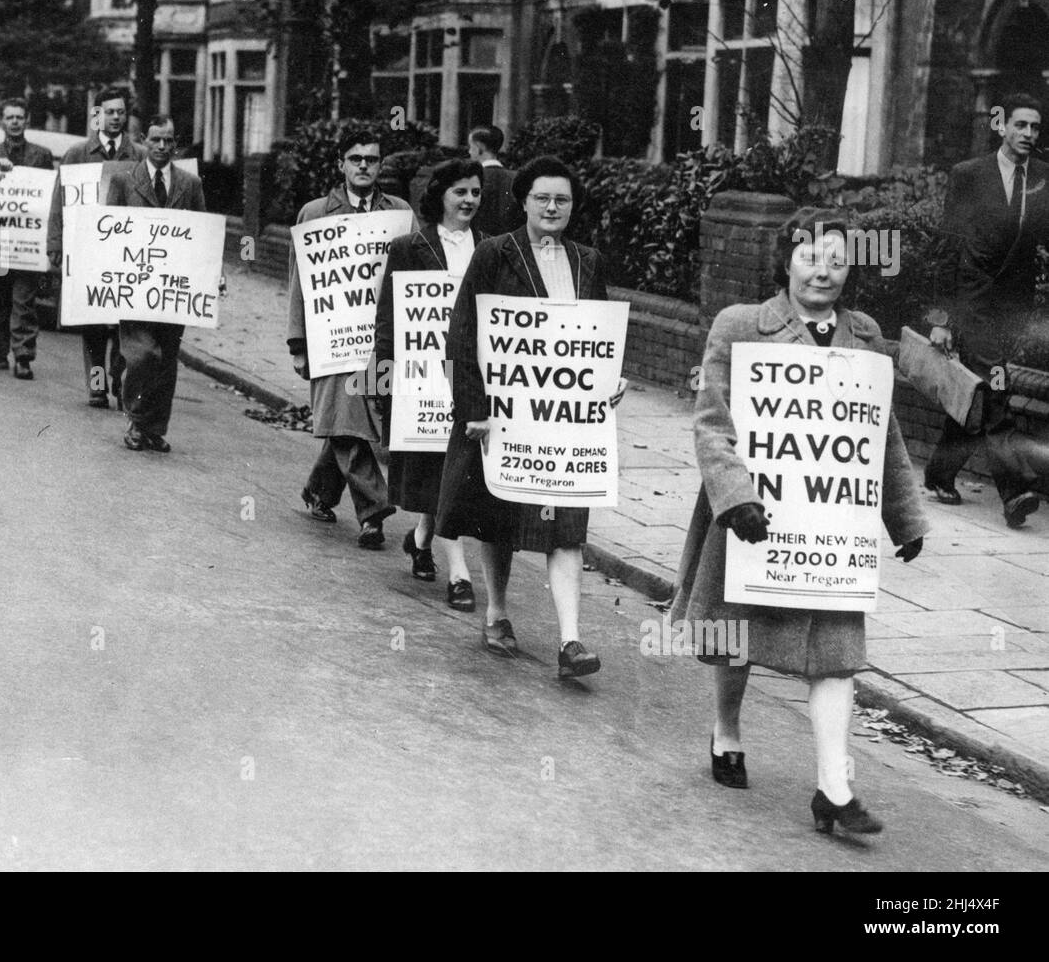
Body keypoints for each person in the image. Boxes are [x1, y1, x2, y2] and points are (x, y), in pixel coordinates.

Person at [671, 207, 928, 834]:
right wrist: (736, 496)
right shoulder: (739, 326)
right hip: (750, 514)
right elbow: (712, 419)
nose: (823, 270)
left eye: (837, 260)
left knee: (836, 653)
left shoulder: (865, 336)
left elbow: (880, 433)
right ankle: (727, 729)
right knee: (737, 636)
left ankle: (833, 789)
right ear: (786, 258)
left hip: (830, 527)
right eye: (811, 256)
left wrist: (906, 517)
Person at [435, 155, 619, 678]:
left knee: (567, 526)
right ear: (523, 201)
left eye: (562, 199)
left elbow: (601, 337)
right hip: (505, 415)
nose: (553, 207)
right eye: (542, 198)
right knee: (500, 518)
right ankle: (497, 612)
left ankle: (571, 640)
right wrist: (472, 409)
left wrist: (612, 380)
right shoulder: (495, 254)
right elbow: (463, 333)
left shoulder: (588, 261)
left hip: (567, 421)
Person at [924, 93, 1048, 528]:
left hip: (1008, 311)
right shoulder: (969, 176)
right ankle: (1015, 490)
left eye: (1035, 127)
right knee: (996, 391)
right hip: (971, 302)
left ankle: (939, 473)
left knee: (980, 388)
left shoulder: (1044, 178)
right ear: (1002, 126)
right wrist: (941, 318)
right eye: (1020, 125)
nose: (1029, 135)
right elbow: (947, 246)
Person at [286, 128, 413, 548]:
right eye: (355, 158)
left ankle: (319, 491)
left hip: (379, 339)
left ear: (380, 166)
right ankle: (374, 511)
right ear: (341, 164)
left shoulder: (399, 214)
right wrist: (298, 342)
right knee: (345, 420)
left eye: (371, 160)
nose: (363, 166)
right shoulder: (315, 213)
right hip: (331, 339)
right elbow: (299, 283)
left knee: (351, 421)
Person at [374, 158, 483, 610]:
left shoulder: (492, 248)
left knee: (455, 469)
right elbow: (388, 318)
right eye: (461, 192)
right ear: (440, 195)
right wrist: (383, 378)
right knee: (440, 466)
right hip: (425, 378)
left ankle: (421, 539)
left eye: (476, 192)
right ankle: (459, 573)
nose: (470, 200)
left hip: (472, 377)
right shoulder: (408, 247)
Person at [104, 115, 206, 452]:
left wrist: (210, 273)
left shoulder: (190, 185)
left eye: (168, 141)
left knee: (166, 362)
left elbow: (202, 234)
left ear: (176, 144)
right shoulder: (123, 181)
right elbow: (109, 232)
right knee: (143, 355)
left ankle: (154, 429)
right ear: (143, 141)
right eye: (155, 140)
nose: (162, 147)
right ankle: (135, 418)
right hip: (134, 286)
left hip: (173, 290)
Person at [54, 87, 146, 408]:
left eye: (121, 112)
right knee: (93, 327)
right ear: (98, 116)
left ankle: (119, 382)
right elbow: (59, 203)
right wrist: (56, 244)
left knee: (124, 326)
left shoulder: (140, 156)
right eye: (109, 112)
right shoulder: (77, 154)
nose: (116, 118)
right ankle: (96, 386)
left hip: (126, 254)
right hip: (89, 254)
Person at [0, 97, 55, 380]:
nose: (14, 122)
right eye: (9, 117)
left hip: (27, 243)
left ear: (27, 120)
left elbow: (46, 197)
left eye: (19, 117)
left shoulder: (41, 156)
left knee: (24, 300)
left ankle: (23, 355)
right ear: (2, 121)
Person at [465, 125, 524, 236]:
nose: (469, 152)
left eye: (471, 147)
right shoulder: (517, 178)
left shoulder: (471, 179)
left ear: (479, 148)